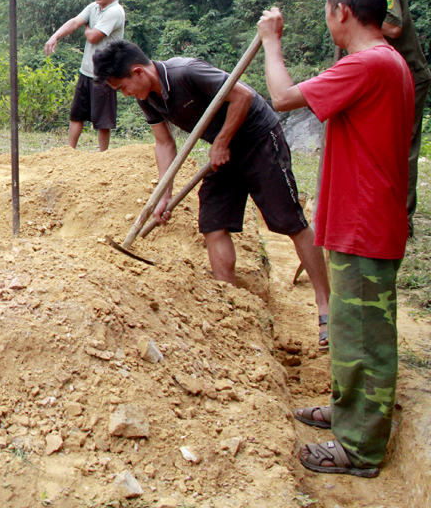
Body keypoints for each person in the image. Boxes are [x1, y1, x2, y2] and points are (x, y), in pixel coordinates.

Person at [257, 0, 413, 478]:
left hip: (366, 222)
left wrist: (271, 42)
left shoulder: (369, 64)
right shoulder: (381, 62)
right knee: (350, 332)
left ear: (342, 12)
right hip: (361, 218)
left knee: (364, 337)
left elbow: (281, 97)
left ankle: (361, 450)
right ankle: (348, 412)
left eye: (327, 11)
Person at [93, 39, 332, 346]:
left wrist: (220, 142)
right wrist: (164, 195)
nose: (124, 94)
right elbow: (165, 144)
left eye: (121, 87)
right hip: (224, 150)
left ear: (138, 72)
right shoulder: (146, 97)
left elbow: (243, 96)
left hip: (258, 139)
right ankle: (230, 304)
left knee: (289, 221)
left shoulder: (186, 73)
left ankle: (325, 303)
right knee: (212, 223)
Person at [325, 0, 429, 235]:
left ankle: (400, 218)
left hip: (402, 75)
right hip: (375, 76)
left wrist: (357, 15)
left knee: (400, 145)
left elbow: (394, 26)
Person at [45, 0, 126, 151]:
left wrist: (88, 28)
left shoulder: (115, 12)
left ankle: (102, 155)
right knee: (77, 114)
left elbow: (93, 37)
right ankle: (69, 150)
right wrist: (55, 36)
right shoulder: (93, 7)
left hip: (105, 74)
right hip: (86, 71)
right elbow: (75, 22)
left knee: (103, 120)